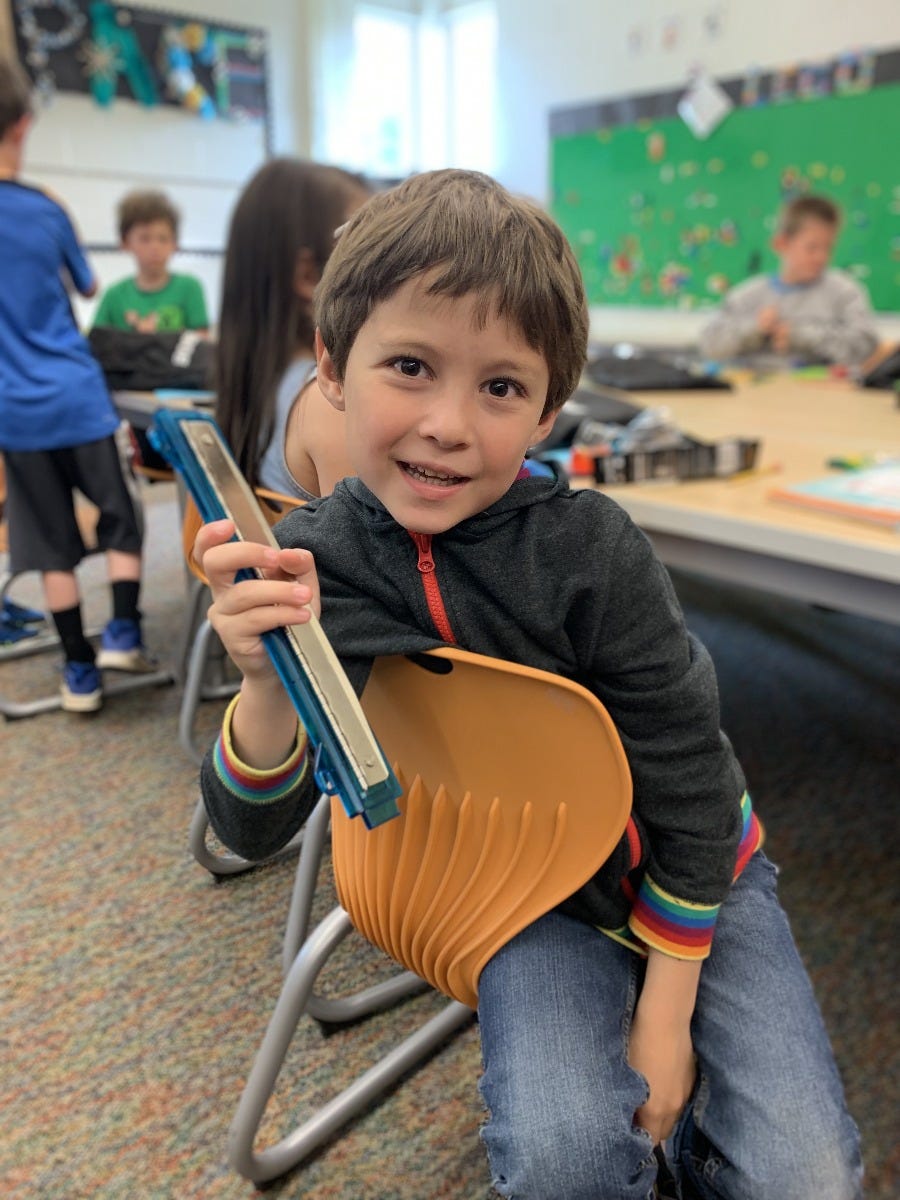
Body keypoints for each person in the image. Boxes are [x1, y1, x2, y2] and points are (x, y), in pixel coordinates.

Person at [195, 169, 862, 1199]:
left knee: (803, 1177)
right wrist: (265, 679)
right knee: (563, 1163)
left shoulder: (597, 553)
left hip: (688, 876)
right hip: (520, 897)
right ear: (332, 364)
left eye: (500, 388)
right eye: (410, 366)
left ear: (550, 409)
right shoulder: (312, 564)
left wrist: (666, 1008)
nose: (450, 424)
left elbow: (690, 781)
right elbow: (246, 832)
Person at [0, 57, 155, 712]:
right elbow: (88, 286)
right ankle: (122, 630)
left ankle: (79, 673)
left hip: (13, 411)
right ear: (26, 123)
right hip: (76, 396)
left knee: (49, 541)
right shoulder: (44, 208)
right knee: (122, 519)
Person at [214, 157, 370, 498]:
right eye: (366, 248)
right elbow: (375, 550)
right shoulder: (331, 402)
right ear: (308, 276)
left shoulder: (263, 381)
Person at [698, 194, 879, 367]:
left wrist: (801, 336)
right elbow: (710, 346)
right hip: (756, 394)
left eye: (828, 247)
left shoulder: (844, 293)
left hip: (824, 394)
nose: (821, 257)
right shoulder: (746, 296)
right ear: (781, 244)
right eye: (812, 247)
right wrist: (755, 329)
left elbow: (866, 349)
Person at [92, 188, 208, 333]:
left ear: (175, 244)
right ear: (125, 242)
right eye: (145, 239)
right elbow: (98, 342)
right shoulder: (114, 296)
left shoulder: (189, 288)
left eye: (163, 239)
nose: (155, 248)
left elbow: (201, 341)